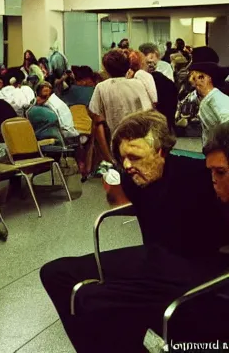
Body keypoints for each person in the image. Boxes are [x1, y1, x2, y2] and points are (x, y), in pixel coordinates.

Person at [40, 111, 229, 353]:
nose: (128, 165)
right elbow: (127, 202)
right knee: (54, 274)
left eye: (135, 157)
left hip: (195, 264)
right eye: (122, 158)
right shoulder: (132, 177)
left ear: (161, 151)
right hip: (154, 257)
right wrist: (113, 192)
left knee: (92, 298)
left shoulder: (201, 176)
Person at [89, 49, 153, 162]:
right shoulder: (138, 84)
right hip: (142, 141)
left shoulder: (102, 87)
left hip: (117, 143)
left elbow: (97, 123)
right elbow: (149, 112)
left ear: (106, 68)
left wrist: (107, 156)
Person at [189, 61, 229, 145]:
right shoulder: (209, 98)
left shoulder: (217, 98)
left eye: (194, 76)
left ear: (205, 78)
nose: (191, 80)